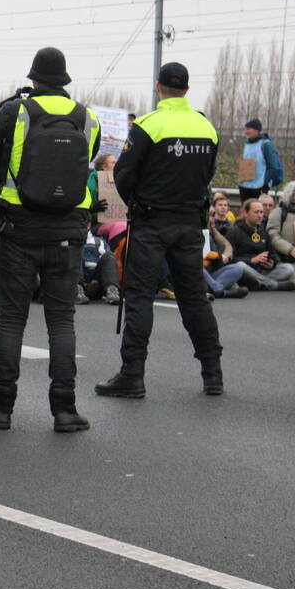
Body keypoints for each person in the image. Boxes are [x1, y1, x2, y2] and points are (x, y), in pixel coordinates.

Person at [0, 47, 99, 432]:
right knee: (61, 321)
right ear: (64, 81)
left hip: (20, 228)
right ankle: (65, 409)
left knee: (11, 319)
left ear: (34, 79)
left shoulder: (16, 112)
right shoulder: (86, 117)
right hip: (69, 231)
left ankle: (1, 408)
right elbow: (86, 161)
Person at [94, 62, 224, 399]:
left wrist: (138, 201)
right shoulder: (206, 127)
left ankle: (132, 375)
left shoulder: (149, 126)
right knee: (194, 299)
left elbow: (123, 176)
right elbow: (208, 172)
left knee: (138, 297)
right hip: (189, 223)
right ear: (187, 89)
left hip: (151, 223)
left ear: (158, 86)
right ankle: (213, 373)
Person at [226, 199, 295, 291]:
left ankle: (260, 283)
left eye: (261, 212)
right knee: (240, 265)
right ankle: (272, 285)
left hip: (261, 272)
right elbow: (230, 259)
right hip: (245, 272)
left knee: (288, 268)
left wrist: (272, 264)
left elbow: (273, 254)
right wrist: (252, 260)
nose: (259, 216)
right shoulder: (234, 232)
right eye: (256, 212)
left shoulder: (264, 232)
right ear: (246, 213)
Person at [239, 118, 283, 200]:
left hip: (259, 187)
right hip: (245, 186)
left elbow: (273, 167)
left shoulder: (266, 145)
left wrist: (264, 183)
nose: (246, 132)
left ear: (256, 130)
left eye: (248, 129)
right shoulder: (247, 144)